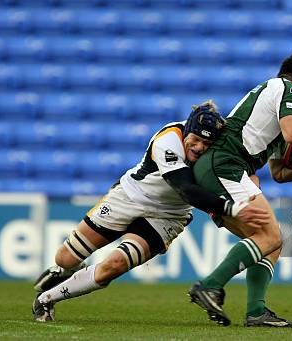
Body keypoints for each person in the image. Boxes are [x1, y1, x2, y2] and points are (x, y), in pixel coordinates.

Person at [32, 100, 271, 322]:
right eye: (195, 140)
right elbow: (186, 188)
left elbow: (238, 168)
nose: (199, 148)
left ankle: (46, 299)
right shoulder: (168, 139)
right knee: (65, 258)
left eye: (206, 144)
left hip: (168, 216)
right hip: (129, 197)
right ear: (187, 130)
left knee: (113, 266)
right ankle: (65, 270)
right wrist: (230, 207)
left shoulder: (215, 150)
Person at [188, 52, 292, 327]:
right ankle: (209, 285)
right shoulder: (287, 90)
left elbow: (278, 174)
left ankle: (256, 311)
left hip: (219, 169)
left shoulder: (274, 109)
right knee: (270, 235)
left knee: (270, 243)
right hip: (224, 166)